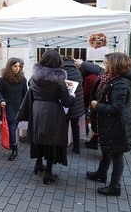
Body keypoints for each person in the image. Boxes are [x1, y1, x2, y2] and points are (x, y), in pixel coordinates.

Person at [75, 52, 131, 196]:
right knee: (107, 149)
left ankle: (115, 187)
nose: (104, 65)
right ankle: (101, 174)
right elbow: (97, 69)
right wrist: (82, 63)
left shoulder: (121, 83)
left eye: (107, 63)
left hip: (119, 125)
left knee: (116, 154)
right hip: (110, 123)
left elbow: (116, 108)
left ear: (115, 65)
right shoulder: (111, 76)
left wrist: (97, 105)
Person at [28, 49, 75, 184]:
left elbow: (29, 86)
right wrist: (72, 97)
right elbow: (66, 101)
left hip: (36, 109)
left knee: (38, 137)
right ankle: (48, 172)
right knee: (52, 141)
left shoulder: (35, 75)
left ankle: (38, 163)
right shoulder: (59, 79)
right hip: (53, 111)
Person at [0, 57, 27, 161]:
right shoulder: (2, 80)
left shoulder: (23, 80)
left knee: (13, 128)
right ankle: (14, 149)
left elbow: (25, 94)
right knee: (12, 128)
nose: (17, 68)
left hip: (18, 108)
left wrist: (23, 106)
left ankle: (13, 146)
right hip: (8, 108)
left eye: (19, 66)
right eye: (15, 66)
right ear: (10, 67)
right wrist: (1, 100)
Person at [62, 56, 85, 154]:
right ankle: (77, 148)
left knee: (64, 126)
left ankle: (63, 146)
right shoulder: (77, 71)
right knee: (75, 126)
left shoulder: (63, 72)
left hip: (67, 103)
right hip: (77, 104)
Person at [81, 69, 99, 149]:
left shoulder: (89, 78)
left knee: (91, 119)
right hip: (97, 102)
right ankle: (94, 139)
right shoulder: (96, 76)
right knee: (95, 121)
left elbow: (86, 93)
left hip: (91, 102)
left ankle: (94, 140)